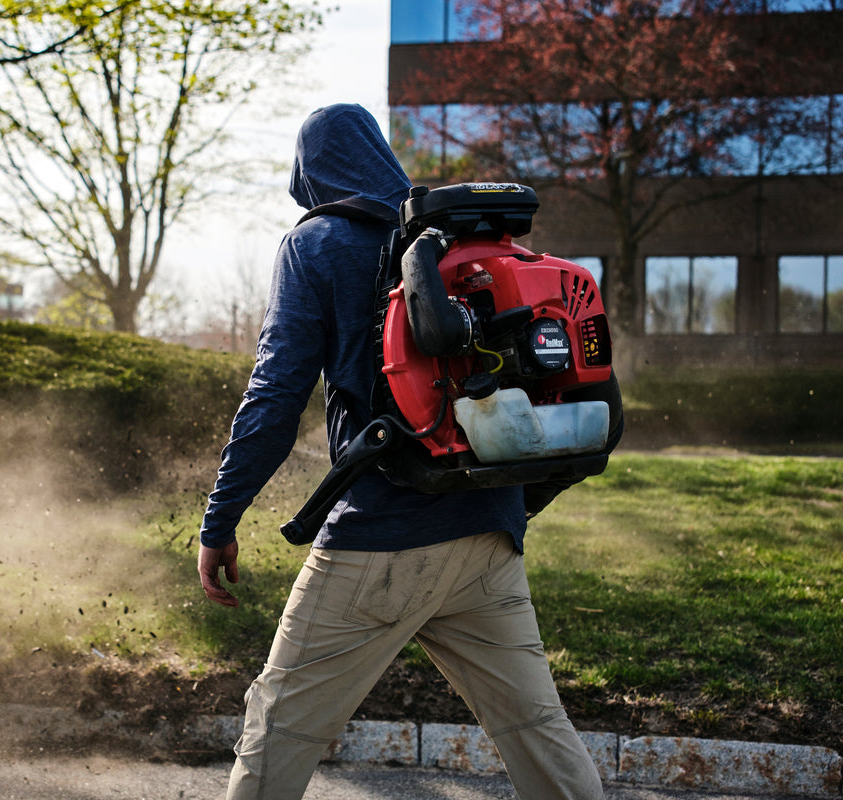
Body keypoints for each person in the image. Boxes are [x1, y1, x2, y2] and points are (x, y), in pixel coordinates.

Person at [196, 103, 605, 800]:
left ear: (309, 174)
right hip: (487, 537)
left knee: (280, 726)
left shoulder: (316, 244)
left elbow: (276, 396)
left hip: (381, 539)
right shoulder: (457, 238)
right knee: (538, 731)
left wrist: (220, 521)